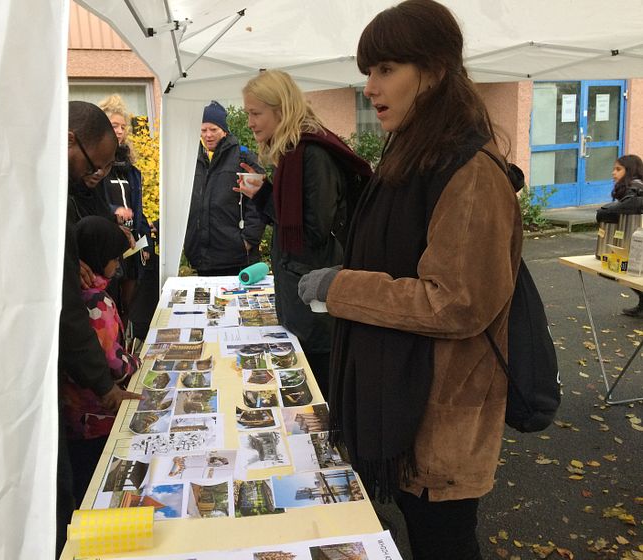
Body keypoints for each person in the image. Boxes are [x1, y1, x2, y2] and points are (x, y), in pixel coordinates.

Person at [296, 1, 522, 558]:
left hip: (441, 415)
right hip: (405, 403)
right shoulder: (415, 155)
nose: (371, 87)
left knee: (442, 542)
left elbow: (457, 303)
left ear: (436, 71)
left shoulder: (468, 171)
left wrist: (339, 287)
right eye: (368, 72)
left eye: (387, 69)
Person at [235, 71, 372, 399]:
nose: (250, 122)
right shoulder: (294, 152)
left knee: (320, 390)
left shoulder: (311, 154)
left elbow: (312, 232)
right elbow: (295, 219)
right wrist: (267, 193)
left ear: (280, 110)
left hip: (316, 300)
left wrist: (267, 197)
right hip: (303, 293)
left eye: (256, 113)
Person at [59, 101, 142, 555]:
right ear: (71, 139)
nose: (96, 175)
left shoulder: (68, 187)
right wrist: (107, 383)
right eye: (96, 164)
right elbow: (70, 317)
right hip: (87, 416)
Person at [62, 215, 142, 506]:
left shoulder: (73, 294)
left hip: (74, 413)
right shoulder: (99, 303)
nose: (119, 265)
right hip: (96, 418)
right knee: (99, 482)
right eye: (114, 258)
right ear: (99, 257)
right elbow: (115, 363)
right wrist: (135, 362)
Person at [98, 94, 158, 333]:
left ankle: (129, 344)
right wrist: (115, 213)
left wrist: (146, 226)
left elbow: (137, 205)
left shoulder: (130, 169)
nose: (120, 131)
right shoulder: (97, 166)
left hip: (133, 245)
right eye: (114, 126)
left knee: (132, 303)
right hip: (109, 244)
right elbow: (94, 203)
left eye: (123, 126)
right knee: (110, 301)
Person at [184, 101, 265, 277]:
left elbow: (259, 202)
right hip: (201, 258)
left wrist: (248, 240)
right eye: (203, 130)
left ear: (224, 130)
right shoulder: (190, 159)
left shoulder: (244, 158)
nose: (208, 135)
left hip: (236, 258)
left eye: (213, 130)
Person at [611, 154, 643, 316]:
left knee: (631, 271)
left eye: (618, 169)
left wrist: (606, 211)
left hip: (639, 238)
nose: (613, 173)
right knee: (628, 271)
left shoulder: (636, 187)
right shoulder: (628, 187)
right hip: (633, 237)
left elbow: (628, 206)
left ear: (629, 171)